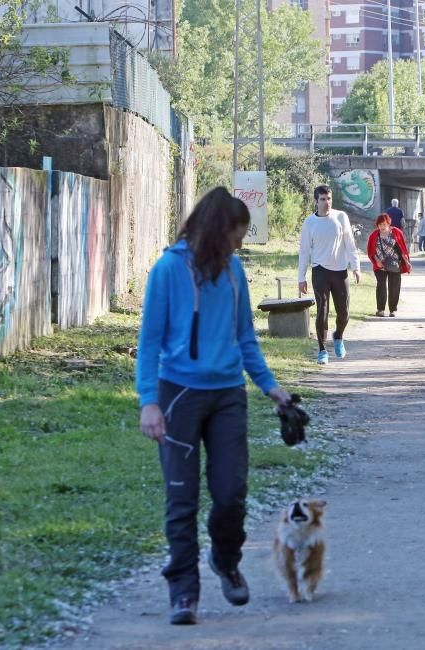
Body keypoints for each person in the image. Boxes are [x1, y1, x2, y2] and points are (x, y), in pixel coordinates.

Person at [136, 187, 292, 626]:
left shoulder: (235, 271)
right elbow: (149, 342)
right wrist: (149, 402)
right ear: (217, 230)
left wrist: (271, 388)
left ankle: (226, 559)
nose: (240, 244)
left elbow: (245, 337)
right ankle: (183, 591)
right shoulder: (168, 269)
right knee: (181, 498)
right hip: (178, 395)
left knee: (230, 493)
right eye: (236, 236)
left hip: (227, 395)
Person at [298, 185, 362, 365]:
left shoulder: (341, 217)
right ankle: (322, 350)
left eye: (329, 199)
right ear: (316, 201)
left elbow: (350, 244)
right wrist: (301, 278)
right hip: (320, 271)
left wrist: (356, 267)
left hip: (340, 271)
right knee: (322, 310)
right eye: (323, 199)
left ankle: (338, 336)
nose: (327, 203)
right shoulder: (309, 222)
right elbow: (304, 251)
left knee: (344, 312)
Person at [366, 213, 412, 317]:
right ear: (377, 225)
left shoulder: (396, 232)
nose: (382, 226)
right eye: (380, 224)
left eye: (384, 224)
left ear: (388, 223)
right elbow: (370, 251)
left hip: (394, 263)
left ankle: (393, 310)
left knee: (394, 287)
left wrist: (407, 261)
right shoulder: (374, 235)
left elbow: (402, 248)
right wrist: (377, 261)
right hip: (380, 265)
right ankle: (380, 309)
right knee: (381, 286)